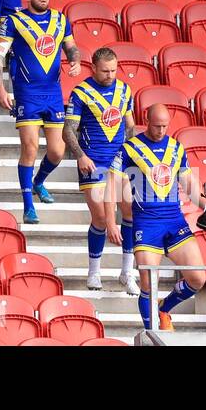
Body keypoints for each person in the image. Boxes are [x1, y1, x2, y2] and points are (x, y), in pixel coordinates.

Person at [106, 103, 206, 330]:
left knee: (198, 278)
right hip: (146, 224)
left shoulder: (176, 147)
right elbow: (111, 184)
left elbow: (189, 182)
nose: (161, 131)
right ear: (147, 120)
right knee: (148, 284)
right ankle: (152, 334)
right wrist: (110, 222)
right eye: (156, 126)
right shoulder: (130, 149)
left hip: (175, 221)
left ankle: (164, 308)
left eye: (165, 126)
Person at [0, 0, 80, 224]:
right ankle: (28, 206)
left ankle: (38, 182)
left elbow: (71, 47)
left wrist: (75, 60)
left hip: (53, 93)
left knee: (57, 151)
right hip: (27, 93)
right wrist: (0, 88)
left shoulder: (60, 20)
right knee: (30, 148)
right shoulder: (13, 21)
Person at [65, 47, 140, 295]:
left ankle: (127, 272)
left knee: (130, 210)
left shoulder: (124, 90)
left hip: (119, 161)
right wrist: (80, 156)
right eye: (105, 71)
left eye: (114, 70)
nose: (110, 75)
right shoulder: (81, 93)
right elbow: (68, 130)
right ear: (93, 68)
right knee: (100, 216)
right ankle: (94, 270)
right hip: (93, 161)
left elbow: (129, 126)